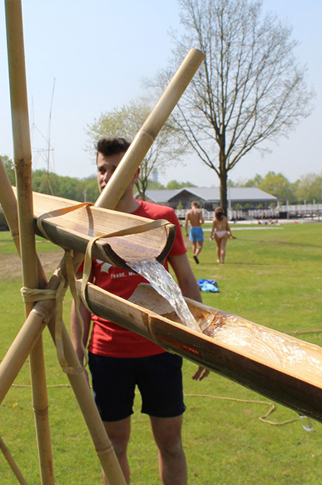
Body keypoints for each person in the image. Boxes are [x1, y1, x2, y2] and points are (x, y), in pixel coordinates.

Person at [70, 137, 209, 484]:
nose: (107, 176)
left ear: (135, 173)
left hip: (159, 348)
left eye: (116, 169)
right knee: (113, 447)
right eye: (102, 169)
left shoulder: (160, 218)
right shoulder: (87, 224)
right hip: (107, 354)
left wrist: (203, 342)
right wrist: (75, 351)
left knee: (171, 444)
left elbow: (187, 283)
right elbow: (81, 294)